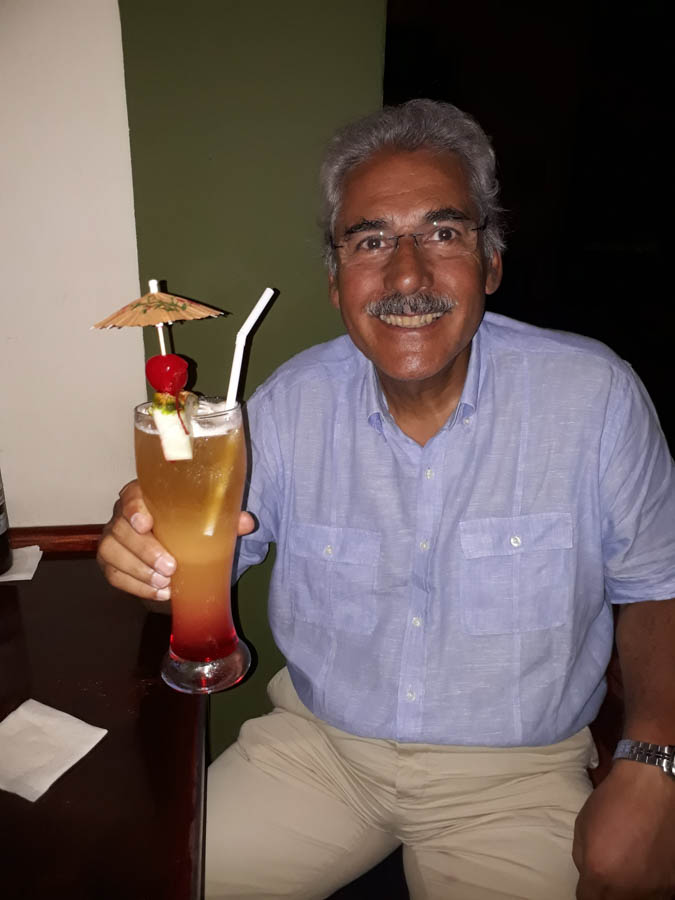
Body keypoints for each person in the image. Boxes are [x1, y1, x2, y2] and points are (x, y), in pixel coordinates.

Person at [97, 100, 675, 900]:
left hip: (517, 777)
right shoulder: (288, 403)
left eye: (442, 233)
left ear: (490, 263)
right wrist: (145, 559)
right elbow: (195, 571)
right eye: (370, 241)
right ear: (336, 282)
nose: (406, 276)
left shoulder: (595, 395)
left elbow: (658, 586)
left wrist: (653, 759)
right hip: (316, 753)